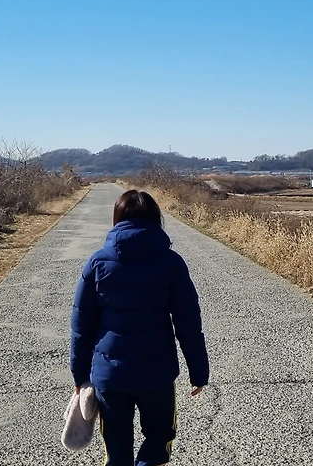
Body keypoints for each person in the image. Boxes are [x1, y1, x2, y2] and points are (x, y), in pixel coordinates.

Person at [70, 189, 209, 466]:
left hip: (110, 376)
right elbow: (188, 322)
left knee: (116, 449)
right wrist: (198, 371)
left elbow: (81, 325)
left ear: (117, 218)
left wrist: (79, 375)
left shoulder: (97, 263)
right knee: (158, 440)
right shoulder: (171, 263)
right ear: (156, 219)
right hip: (156, 374)